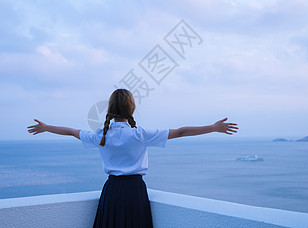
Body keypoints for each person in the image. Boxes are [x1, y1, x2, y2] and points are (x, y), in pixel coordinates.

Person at [27, 89, 238, 228]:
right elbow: (180, 132)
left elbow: (72, 132)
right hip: (135, 190)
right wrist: (213, 127)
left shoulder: (102, 135)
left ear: (110, 109)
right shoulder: (140, 134)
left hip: (111, 191)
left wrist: (46, 128)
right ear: (132, 108)